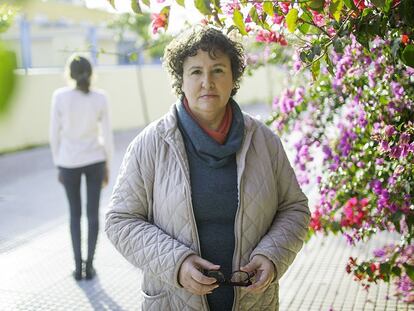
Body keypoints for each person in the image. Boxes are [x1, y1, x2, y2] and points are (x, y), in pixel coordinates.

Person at [105, 26, 310, 310]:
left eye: (218, 70)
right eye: (196, 72)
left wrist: (272, 256)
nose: (207, 82)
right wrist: (176, 263)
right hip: (174, 302)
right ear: (181, 79)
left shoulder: (264, 141)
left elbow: (295, 208)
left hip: (255, 303)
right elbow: (120, 220)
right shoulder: (150, 144)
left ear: (233, 77)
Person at [50, 54, 113, 281]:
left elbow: (53, 134)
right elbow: (107, 135)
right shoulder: (100, 98)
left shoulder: (59, 96)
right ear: (91, 73)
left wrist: (59, 163)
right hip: (95, 160)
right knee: (92, 214)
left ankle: (78, 268)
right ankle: (90, 266)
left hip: (68, 163)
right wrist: (107, 164)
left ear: (70, 74)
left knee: (74, 214)